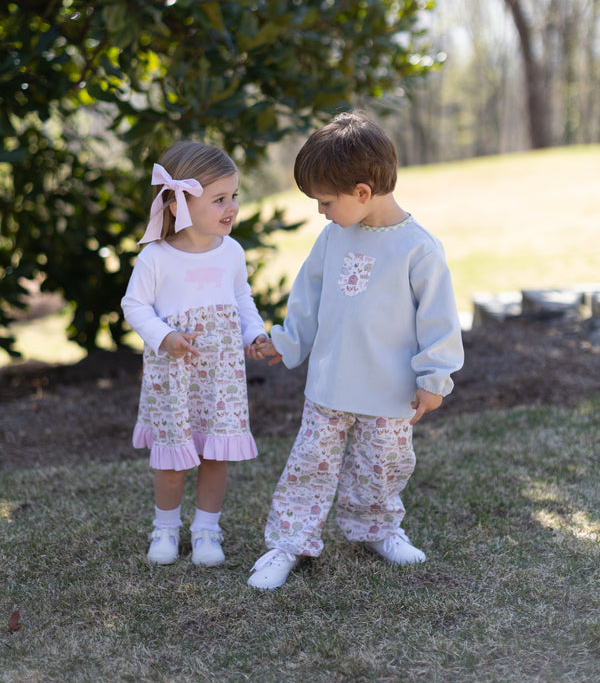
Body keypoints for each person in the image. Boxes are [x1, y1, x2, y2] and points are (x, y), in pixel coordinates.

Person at [246, 113, 464, 590]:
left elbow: (439, 321)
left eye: (326, 201)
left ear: (362, 193)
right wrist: (285, 342)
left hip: (389, 393)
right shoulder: (333, 238)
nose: (321, 211)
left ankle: (379, 530)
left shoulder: (418, 249)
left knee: (381, 468)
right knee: (308, 467)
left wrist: (434, 380)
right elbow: (306, 301)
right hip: (330, 386)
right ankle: (288, 542)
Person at [121, 141, 266, 567]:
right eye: (220, 199)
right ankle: (165, 528)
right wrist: (164, 336)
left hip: (220, 378)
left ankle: (206, 530)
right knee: (173, 456)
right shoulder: (156, 258)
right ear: (178, 204)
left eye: (234, 196)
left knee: (215, 453)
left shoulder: (232, 253)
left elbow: (242, 299)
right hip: (175, 376)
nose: (232, 207)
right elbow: (134, 306)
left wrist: (253, 334)